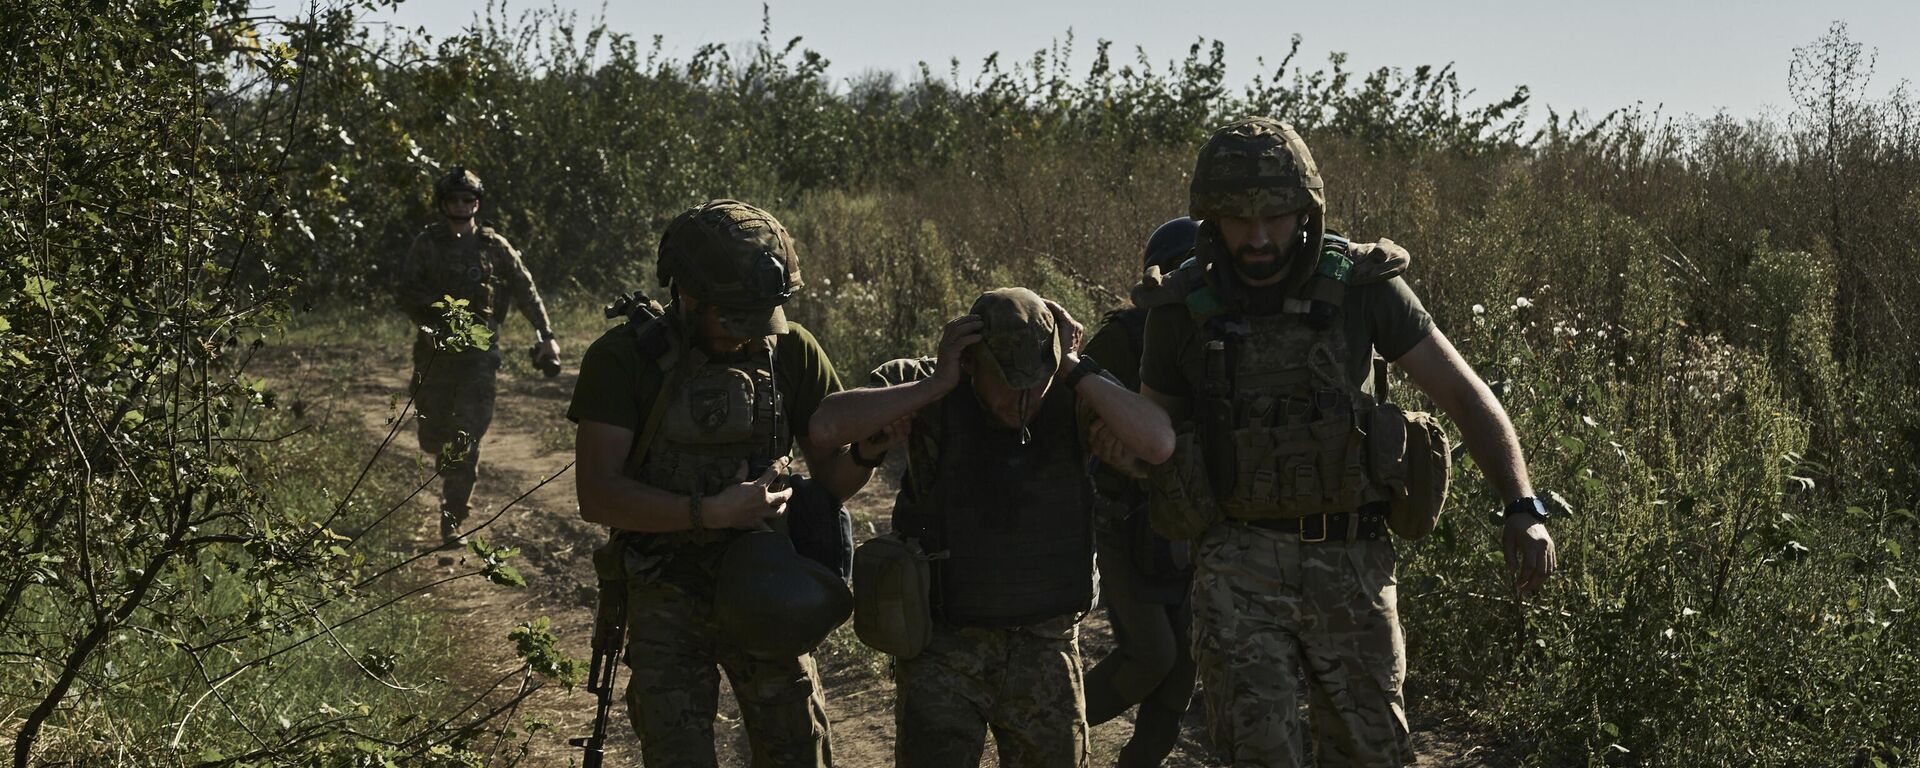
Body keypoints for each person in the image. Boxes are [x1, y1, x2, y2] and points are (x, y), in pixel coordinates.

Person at [1136, 117, 1558, 767]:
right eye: (1237, 219)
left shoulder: (1363, 287)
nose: (1257, 236)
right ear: (1209, 218)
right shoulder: (1181, 306)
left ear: (1306, 210)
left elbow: (1466, 395)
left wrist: (1523, 507)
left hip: (1351, 559)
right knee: (1256, 751)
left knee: (1371, 752)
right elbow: (1154, 436)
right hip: (1236, 565)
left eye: (1275, 216)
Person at [569, 199, 878, 767]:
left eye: (761, 316)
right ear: (686, 295)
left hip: (768, 586)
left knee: (798, 751)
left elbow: (832, 476)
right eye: (733, 317)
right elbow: (598, 493)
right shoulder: (623, 360)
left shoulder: (791, 351)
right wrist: (709, 512)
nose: (747, 335)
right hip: (665, 592)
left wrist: (870, 449)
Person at [810, 287, 1175, 768]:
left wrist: (1073, 368)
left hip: (1046, 646)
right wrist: (934, 387)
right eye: (1006, 381)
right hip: (945, 649)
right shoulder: (932, 386)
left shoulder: (1071, 390)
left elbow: (1159, 443)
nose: (1022, 399)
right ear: (970, 362)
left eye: (1035, 382)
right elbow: (825, 426)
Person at [1079, 217, 1202, 768]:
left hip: (1193, 525)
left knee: (1180, 676)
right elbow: (1074, 424)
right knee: (1151, 657)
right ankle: (1045, 727)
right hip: (1126, 522)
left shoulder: (1228, 334)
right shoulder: (1124, 338)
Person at [395, 165, 560, 541]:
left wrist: (546, 335)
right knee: (433, 436)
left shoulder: (492, 246)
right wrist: (434, 316)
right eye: (452, 199)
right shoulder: (427, 244)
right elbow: (406, 293)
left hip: (479, 359)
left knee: (465, 438)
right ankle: (443, 458)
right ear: (443, 203)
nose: (459, 205)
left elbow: (525, 290)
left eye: (466, 199)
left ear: (477, 203)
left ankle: (452, 519)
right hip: (435, 356)